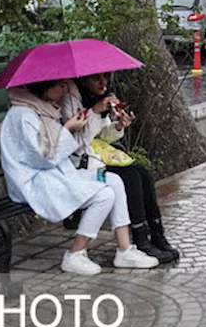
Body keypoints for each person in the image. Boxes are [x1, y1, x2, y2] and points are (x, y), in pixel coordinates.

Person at [0, 79, 159, 275]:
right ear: (43, 88)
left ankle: (124, 250)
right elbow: (41, 159)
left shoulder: (44, 109)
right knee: (103, 195)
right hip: (33, 181)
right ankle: (76, 253)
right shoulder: (23, 116)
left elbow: (53, 151)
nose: (66, 89)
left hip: (54, 173)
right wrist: (67, 129)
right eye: (60, 86)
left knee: (115, 181)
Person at [61, 73, 180, 264]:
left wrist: (118, 126)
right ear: (84, 80)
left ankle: (157, 233)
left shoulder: (97, 99)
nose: (103, 83)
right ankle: (140, 238)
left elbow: (102, 136)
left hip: (96, 156)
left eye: (105, 77)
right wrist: (94, 112)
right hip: (80, 163)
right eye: (96, 79)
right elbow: (79, 142)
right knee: (130, 176)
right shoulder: (72, 100)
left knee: (143, 174)